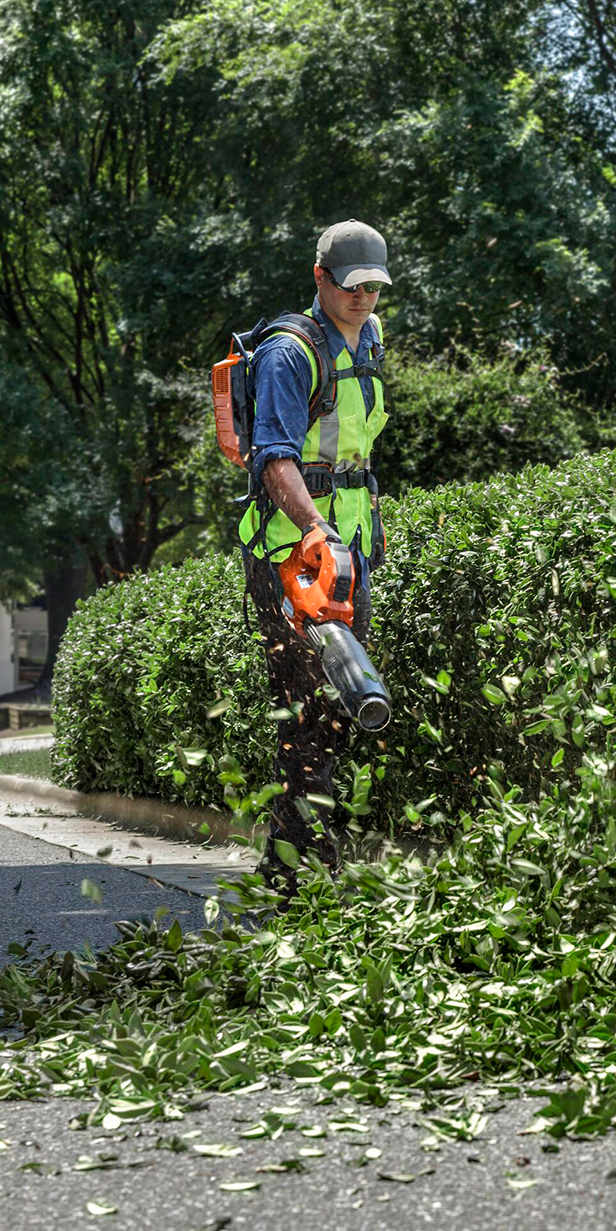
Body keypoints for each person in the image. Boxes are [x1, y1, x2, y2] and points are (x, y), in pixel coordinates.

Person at [238, 220, 391, 887]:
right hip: (290, 555)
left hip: (349, 552)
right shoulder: (288, 353)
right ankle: (300, 871)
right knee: (310, 707)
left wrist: (357, 536)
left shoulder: (371, 339)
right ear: (320, 277)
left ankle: (292, 855)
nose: (363, 299)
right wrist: (315, 530)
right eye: (351, 287)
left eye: (374, 288)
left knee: (338, 707)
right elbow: (275, 457)